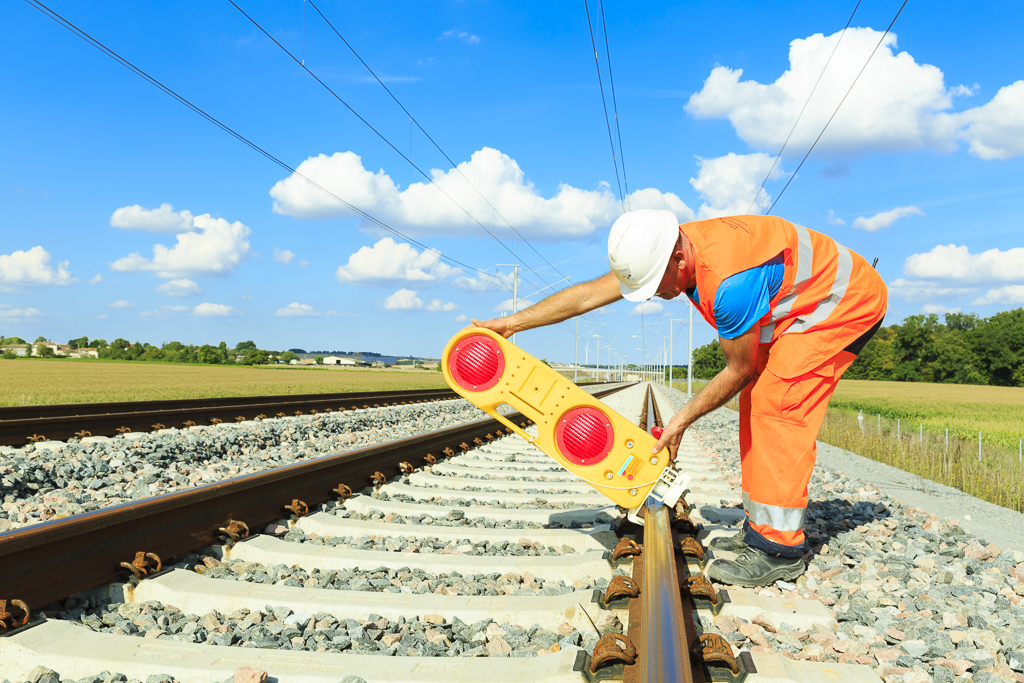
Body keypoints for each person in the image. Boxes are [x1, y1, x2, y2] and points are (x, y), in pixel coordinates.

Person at [472, 209, 887, 587]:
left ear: (679, 261)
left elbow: (738, 370)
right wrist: (513, 323)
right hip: (800, 304)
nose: (653, 296)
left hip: (840, 305)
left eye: (654, 287)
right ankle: (760, 531)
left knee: (776, 405)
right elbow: (585, 296)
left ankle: (778, 550)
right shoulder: (663, 249)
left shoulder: (729, 283)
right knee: (760, 402)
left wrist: (681, 419)